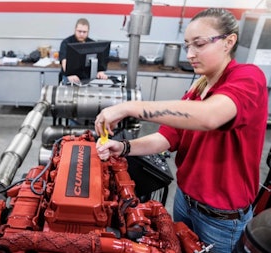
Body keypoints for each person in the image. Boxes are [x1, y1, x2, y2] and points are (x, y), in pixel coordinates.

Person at [94, 8, 267, 253]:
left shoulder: (248, 78)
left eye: (199, 44)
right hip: (185, 202)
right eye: (187, 46)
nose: (190, 54)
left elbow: (210, 116)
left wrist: (129, 107)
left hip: (220, 219)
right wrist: (123, 147)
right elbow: (166, 137)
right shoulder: (197, 89)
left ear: (229, 42)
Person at [59, 18, 108, 84]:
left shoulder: (92, 44)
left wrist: (100, 71)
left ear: (88, 32)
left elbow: (98, 61)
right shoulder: (66, 43)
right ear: (75, 30)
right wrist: (69, 74)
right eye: (79, 31)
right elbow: (64, 61)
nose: (81, 34)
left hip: (86, 78)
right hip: (69, 77)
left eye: (84, 32)